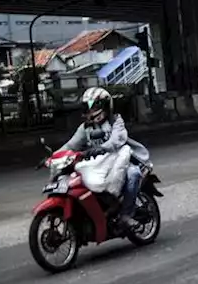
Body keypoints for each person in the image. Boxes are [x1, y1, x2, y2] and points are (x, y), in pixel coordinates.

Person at [62, 87, 151, 230]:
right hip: (98, 165)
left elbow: (117, 139)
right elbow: (70, 145)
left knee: (133, 174)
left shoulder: (116, 121)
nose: (91, 111)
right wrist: (54, 156)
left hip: (122, 160)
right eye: (88, 107)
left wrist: (102, 148)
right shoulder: (85, 128)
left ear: (105, 106)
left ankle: (126, 215)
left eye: (95, 107)